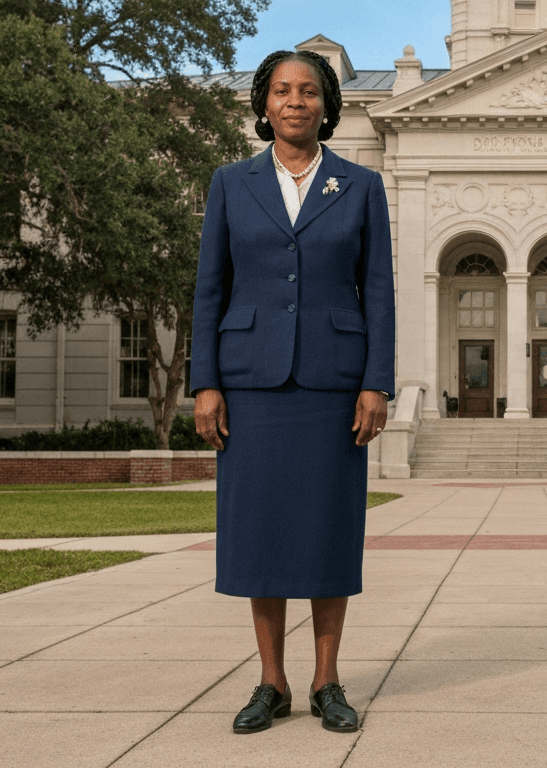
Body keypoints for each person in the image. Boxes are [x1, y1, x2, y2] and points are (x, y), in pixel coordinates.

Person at [190, 48, 395, 735]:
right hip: (250, 383)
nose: (296, 101)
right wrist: (206, 383)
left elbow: (381, 293)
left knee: (329, 532)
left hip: (333, 386)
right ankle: (270, 682)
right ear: (264, 104)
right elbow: (210, 288)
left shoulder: (360, 186)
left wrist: (376, 380)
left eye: (309, 91)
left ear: (328, 105)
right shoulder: (230, 182)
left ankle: (327, 681)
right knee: (260, 532)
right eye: (282, 90)